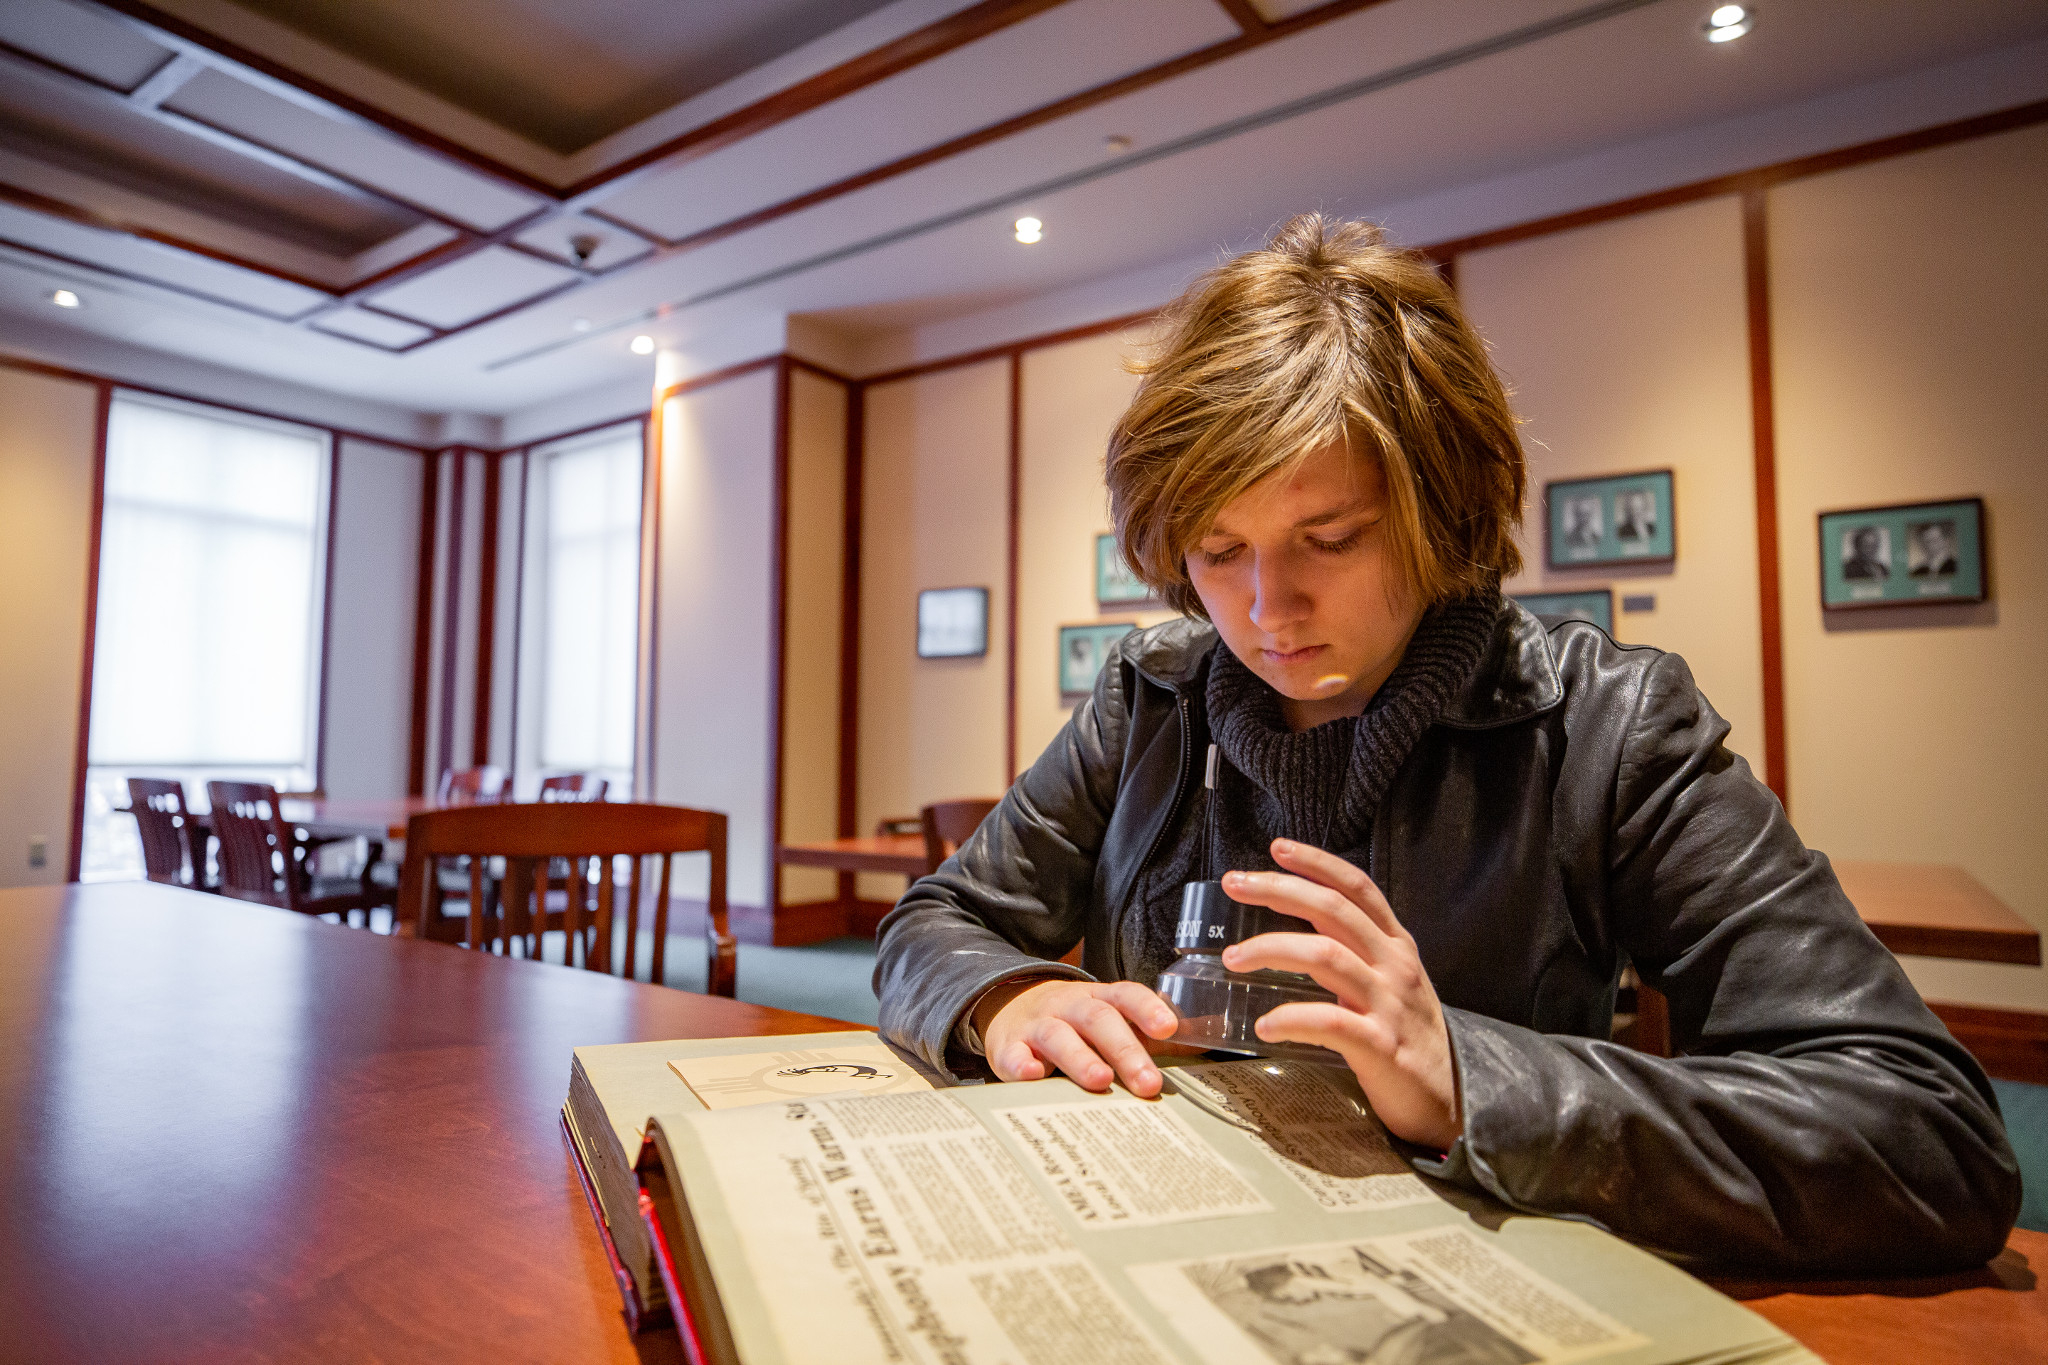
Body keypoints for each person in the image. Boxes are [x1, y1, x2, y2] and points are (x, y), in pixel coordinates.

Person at [873, 214, 2018, 1275]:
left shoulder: (1606, 724)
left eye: (1330, 536)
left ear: (1440, 512)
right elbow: (936, 922)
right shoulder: (1151, 698)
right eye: (1218, 552)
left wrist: (1472, 1079)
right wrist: (1005, 996)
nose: (1267, 606)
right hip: (1153, 1249)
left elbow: (1927, 1135)